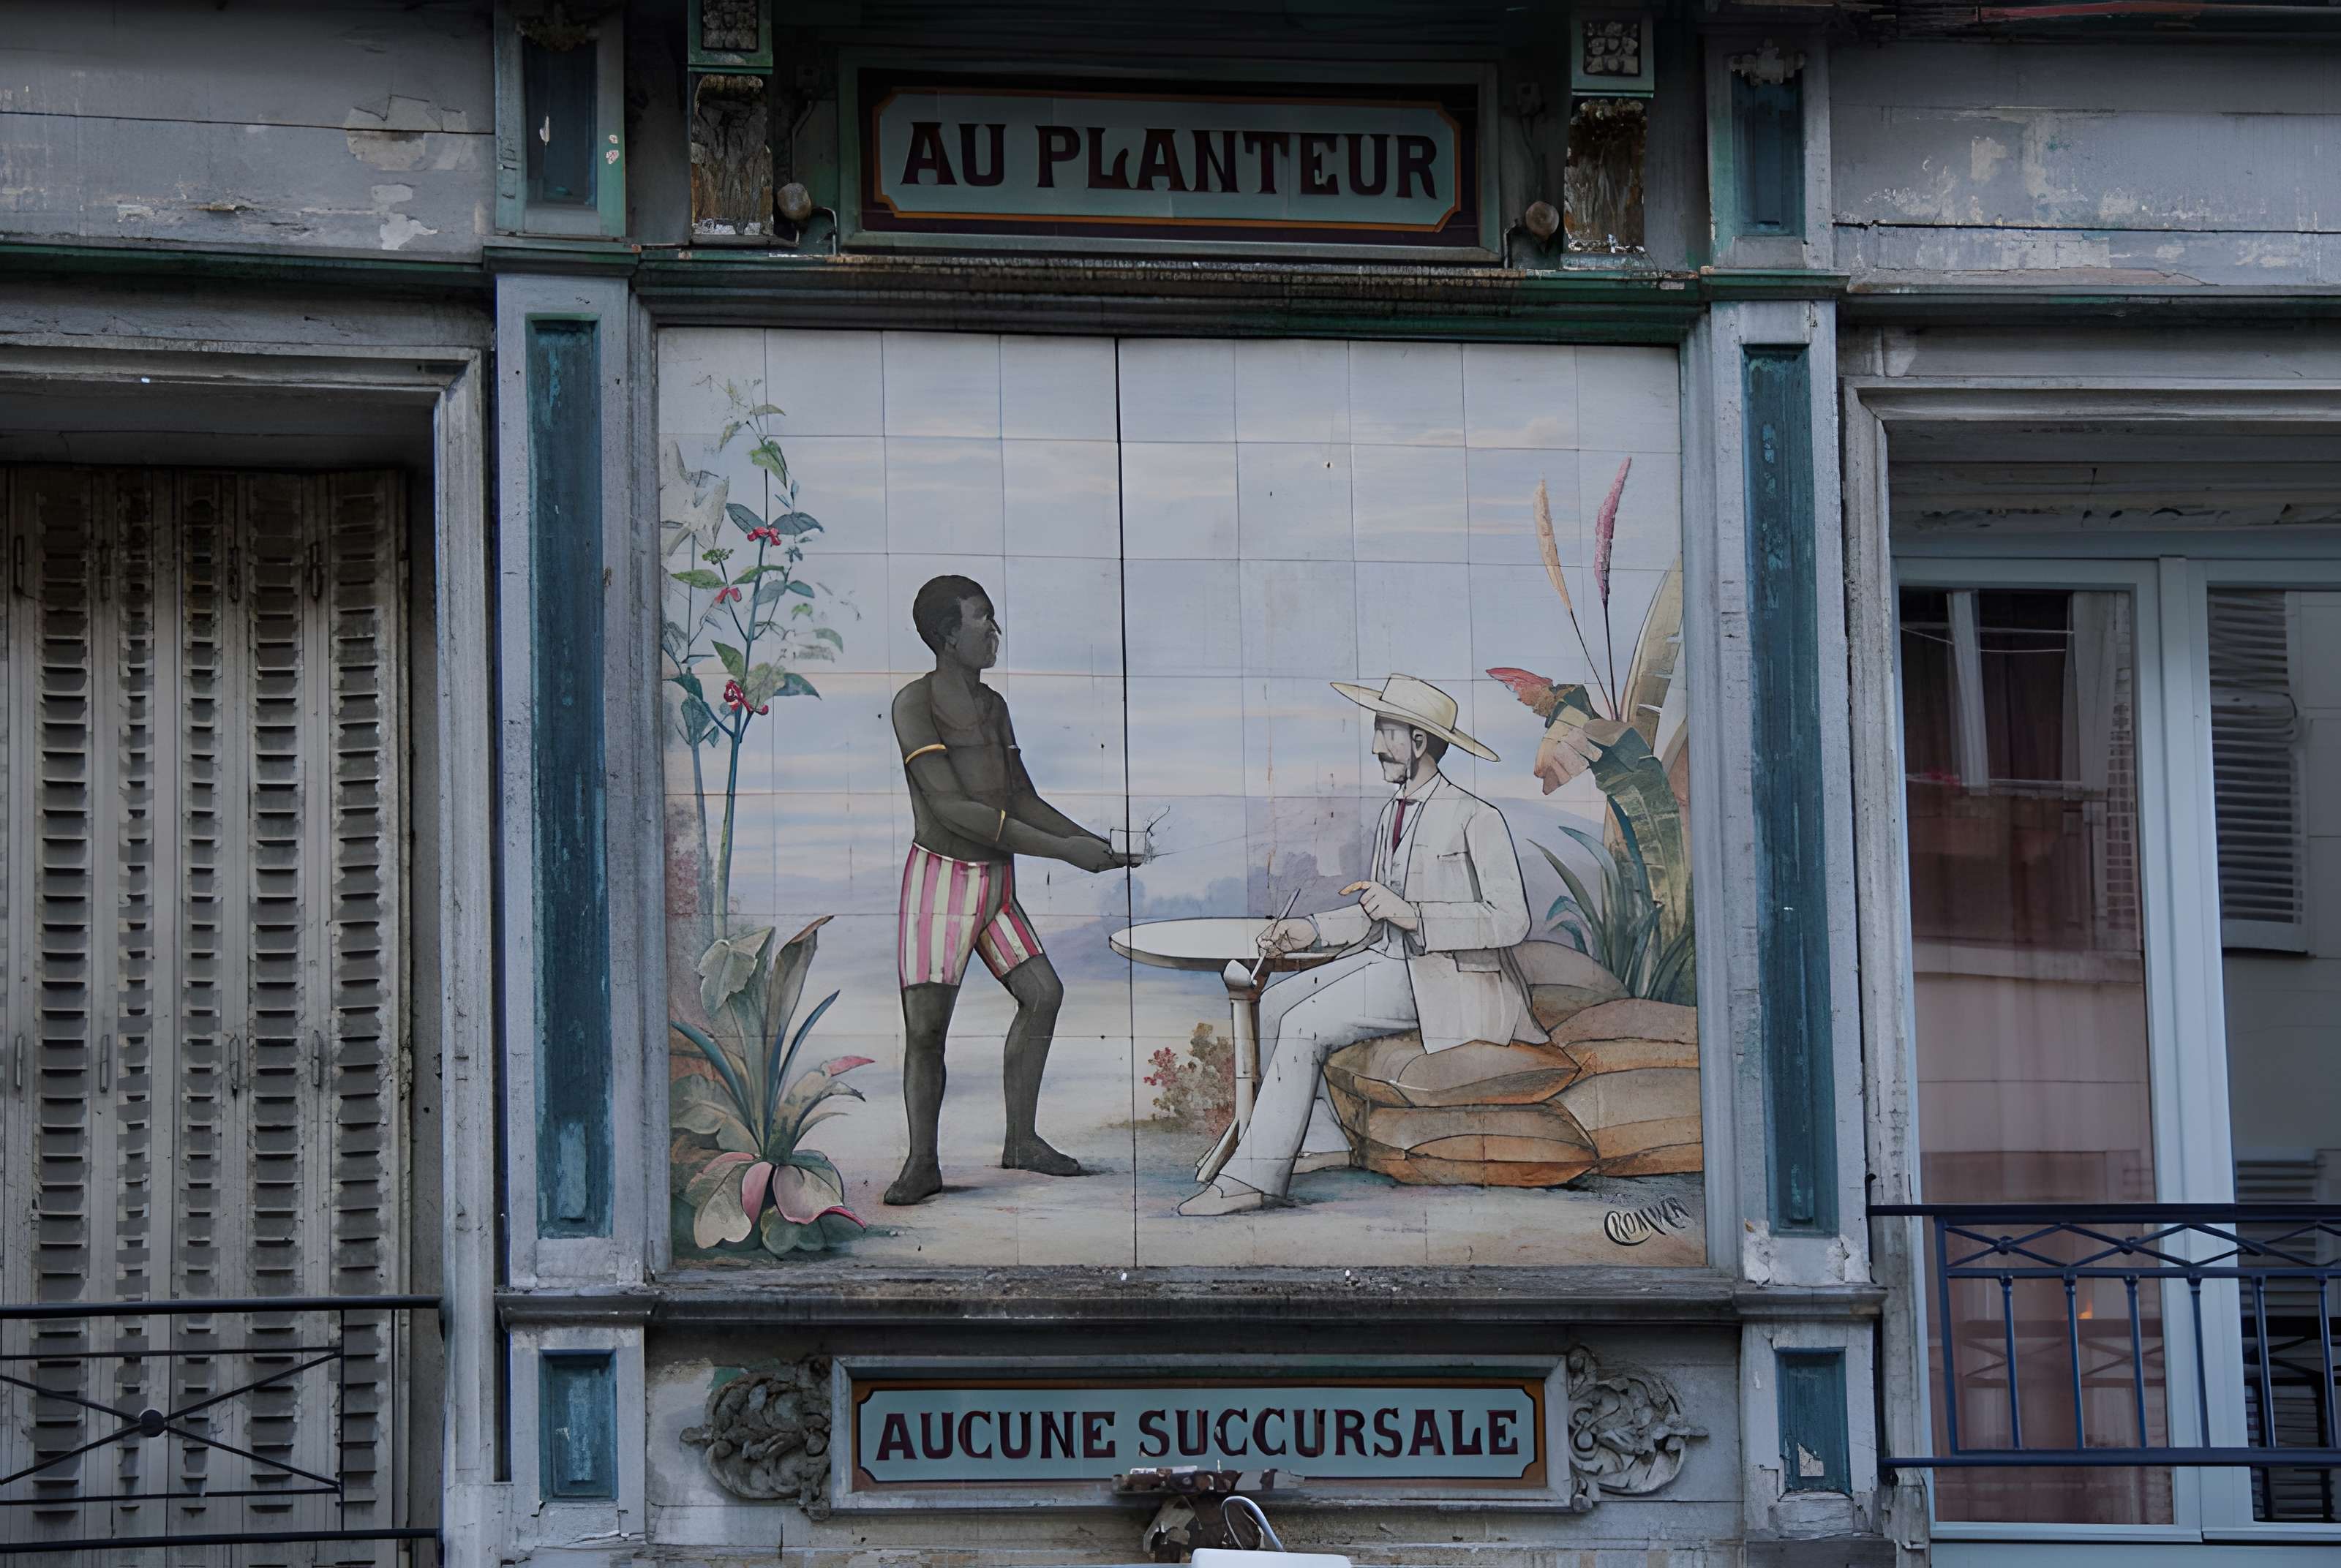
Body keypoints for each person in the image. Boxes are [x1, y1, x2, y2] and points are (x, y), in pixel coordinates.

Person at [1179, 674, 1544, 1216]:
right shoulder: (1392, 814)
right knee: (1274, 1004)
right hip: (1391, 963)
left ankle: (1254, 1181)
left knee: (1304, 1025)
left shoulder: (1477, 817)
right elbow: (1376, 912)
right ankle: (1323, 1142)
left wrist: (1414, 915)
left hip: (1448, 979)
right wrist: (1310, 929)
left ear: (1418, 742)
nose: (1375, 747)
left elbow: (1512, 920)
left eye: (1385, 732)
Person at [887, 574, 1138, 1206]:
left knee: (1043, 994)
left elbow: (1021, 797)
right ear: (948, 635)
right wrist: (1064, 850)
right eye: (983, 619)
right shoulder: (914, 704)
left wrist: (1092, 845)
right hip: (943, 884)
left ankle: (1021, 1141)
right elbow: (952, 809)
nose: (994, 631)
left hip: (996, 883)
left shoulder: (994, 706)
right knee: (926, 1030)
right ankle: (922, 1163)